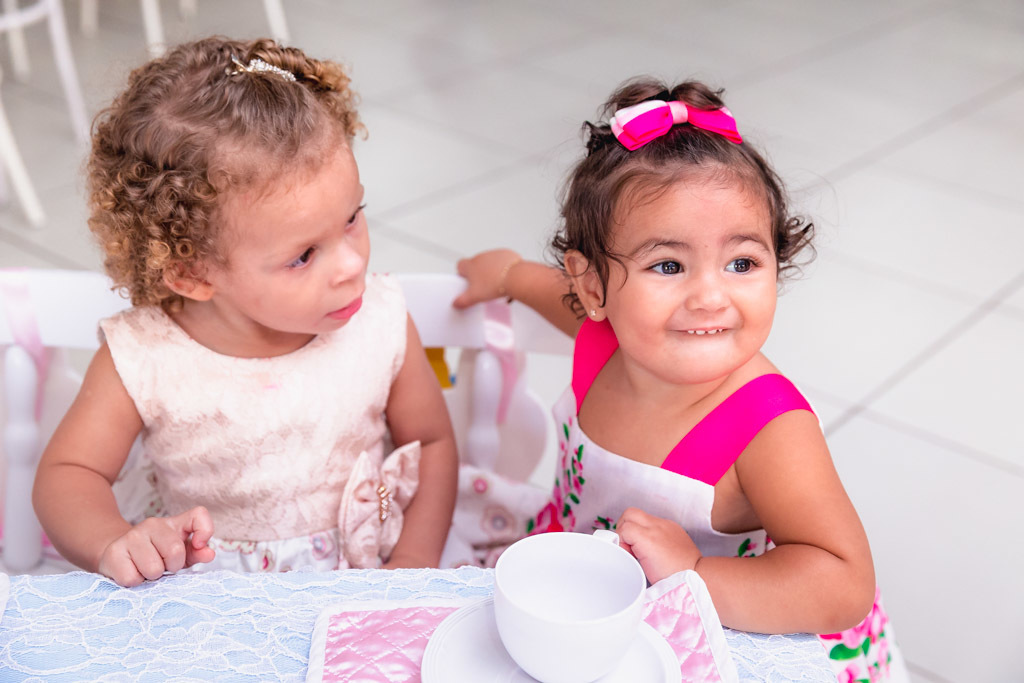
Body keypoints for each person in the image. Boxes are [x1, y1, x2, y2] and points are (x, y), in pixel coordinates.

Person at [454, 78, 907, 681]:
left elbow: (843, 580)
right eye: (668, 265)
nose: (710, 297)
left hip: (722, 625)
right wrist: (507, 273)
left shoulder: (768, 428)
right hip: (588, 597)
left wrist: (696, 571)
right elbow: (544, 289)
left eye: (742, 262)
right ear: (594, 289)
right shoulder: (602, 339)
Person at [32, 37, 458, 587]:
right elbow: (69, 474)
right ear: (192, 273)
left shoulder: (380, 321)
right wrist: (115, 541)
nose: (352, 265)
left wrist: (410, 566)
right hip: (206, 604)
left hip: (358, 588)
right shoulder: (145, 357)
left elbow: (435, 444)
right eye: (303, 255)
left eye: (353, 217)